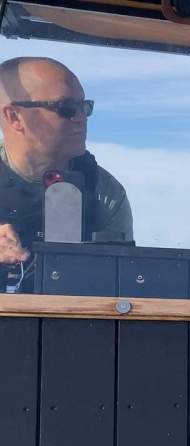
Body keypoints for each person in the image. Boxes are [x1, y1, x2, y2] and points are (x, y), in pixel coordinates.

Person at [0, 57, 133, 291]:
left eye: (85, 107)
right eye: (66, 108)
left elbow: (123, 285)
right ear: (13, 117)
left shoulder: (103, 192)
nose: (81, 118)